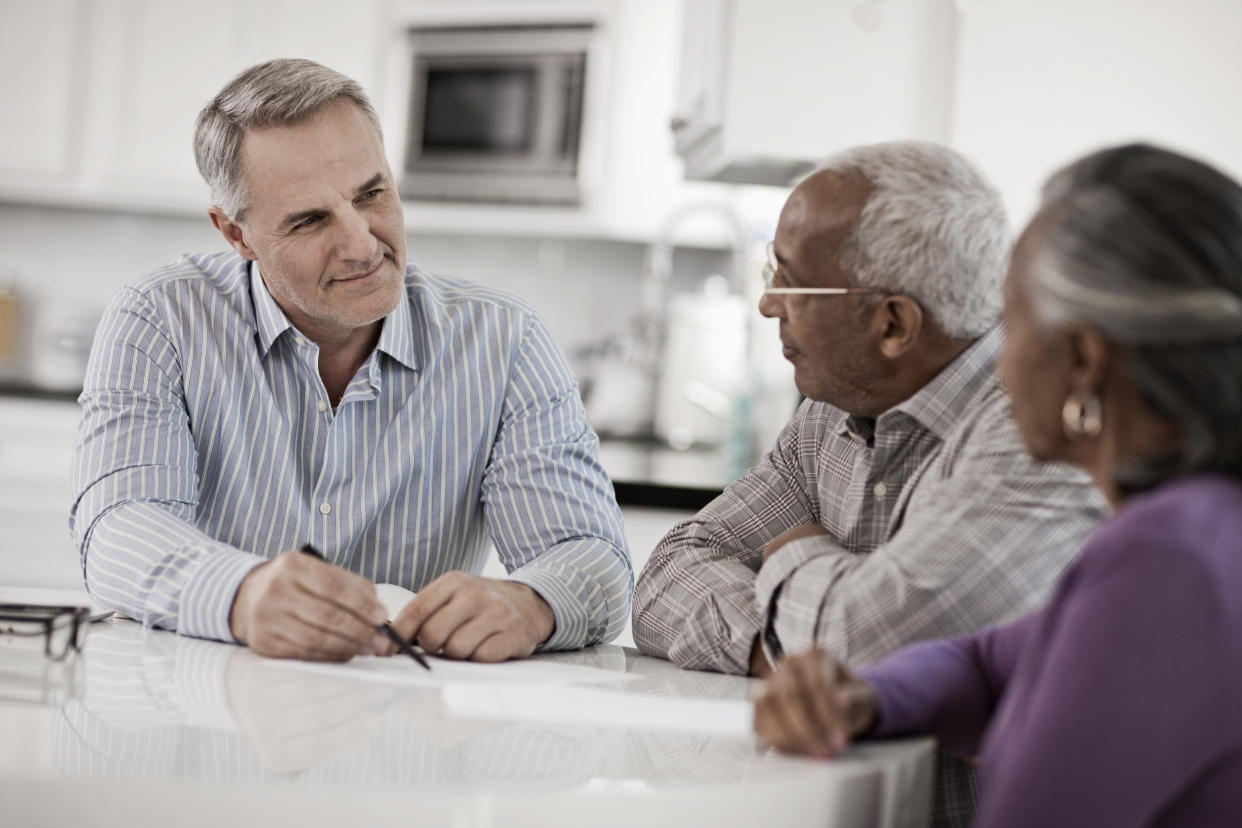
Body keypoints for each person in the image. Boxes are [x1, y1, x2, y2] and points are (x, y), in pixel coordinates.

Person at [69, 58, 632, 664]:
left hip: (407, 725)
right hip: (204, 708)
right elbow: (118, 529)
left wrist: (533, 602)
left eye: (372, 194)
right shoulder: (159, 319)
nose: (363, 243)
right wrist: (241, 594)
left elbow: (588, 553)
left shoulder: (507, 339)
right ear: (236, 234)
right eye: (311, 220)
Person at [753, 143, 1242, 827]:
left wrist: (788, 562)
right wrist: (867, 698)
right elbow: (989, 663)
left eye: (1011, 319)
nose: (994, 360)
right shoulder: (1194, 522)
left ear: (1080, 361)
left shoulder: (1168, 562)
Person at [632, 141, 1105, 825]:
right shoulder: (831, 408)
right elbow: (668, 574)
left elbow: (875, 650)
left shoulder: (1035, 429)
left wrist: (794, 556)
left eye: (790, 281)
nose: (769, 304)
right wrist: (791, 659)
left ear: (892, 324)